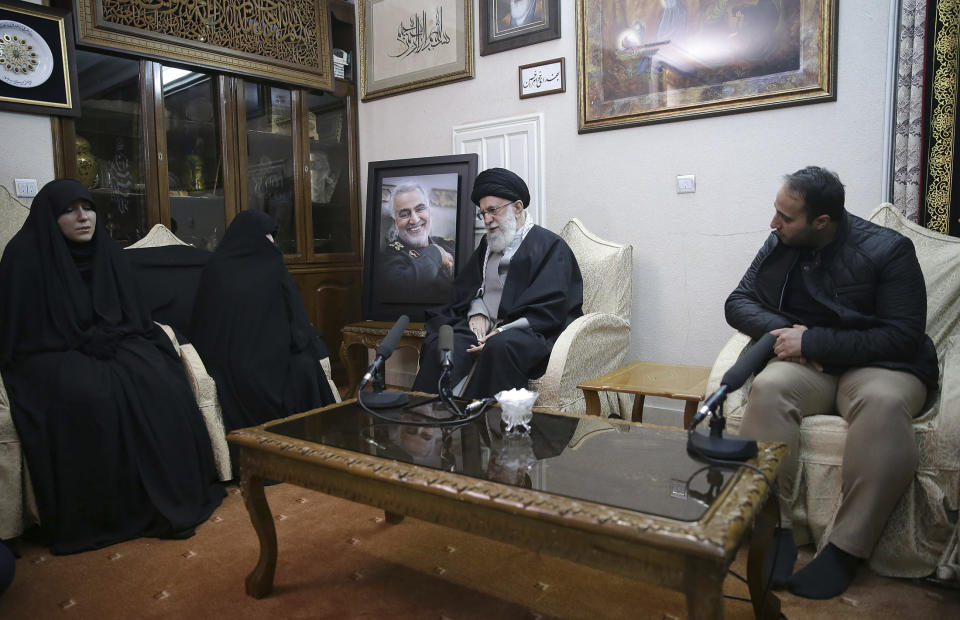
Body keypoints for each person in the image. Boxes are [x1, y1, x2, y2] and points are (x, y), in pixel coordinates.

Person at [725, 166, 938, 599]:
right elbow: (739, 302)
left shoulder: (889, 250)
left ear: (822, 222)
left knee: (881, 404)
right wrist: (793, 336)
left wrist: (816, 341)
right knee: (769, 389)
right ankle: (774, 528)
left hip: (883, 364)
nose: (773, 224)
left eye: (786, 217)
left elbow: (902, 336)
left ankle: (845, 549)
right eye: (776, 212)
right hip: (812, 362)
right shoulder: (780, 243)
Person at [0, 179, 224, 554]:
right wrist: (78, 339)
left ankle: (163, 493)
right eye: (69, 210)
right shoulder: (25, 255)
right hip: (48, 350)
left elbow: (133, 314)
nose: (83, 217)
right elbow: (19, 330)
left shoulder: (108, 252)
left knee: (158, 380)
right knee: (89, 394)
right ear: (51, 217)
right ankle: (106, 509)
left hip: (115, 339)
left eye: (87, 208)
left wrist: (109, 333)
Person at [412, 168, 583, 400]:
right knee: (444, 343)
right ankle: (426, 419)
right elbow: (467, 290)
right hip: (482, 328)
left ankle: (483, 426)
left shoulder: (550, 246)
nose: (487, 220)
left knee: (501, 347)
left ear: (518, 207)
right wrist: (476, 313)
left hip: (526, 331)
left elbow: (550, 308)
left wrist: (501, 330)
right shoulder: (487, 244)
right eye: (483, 213)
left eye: (493, 210)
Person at [190, 210, 336, 433]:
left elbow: (202, 324)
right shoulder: (271, 265)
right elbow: (297, 323)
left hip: (224, 367)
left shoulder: (215, 267)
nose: (271, 241)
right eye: (269, 234)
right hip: (268, 367)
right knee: (306, 367)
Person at [379, 183, 456, 304]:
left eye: (420, 209)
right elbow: (402, 290)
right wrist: (435, 254)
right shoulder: (388, 255)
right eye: (404, 214)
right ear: (395, 222)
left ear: (429, 212)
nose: (414, 220)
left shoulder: (449, 245)